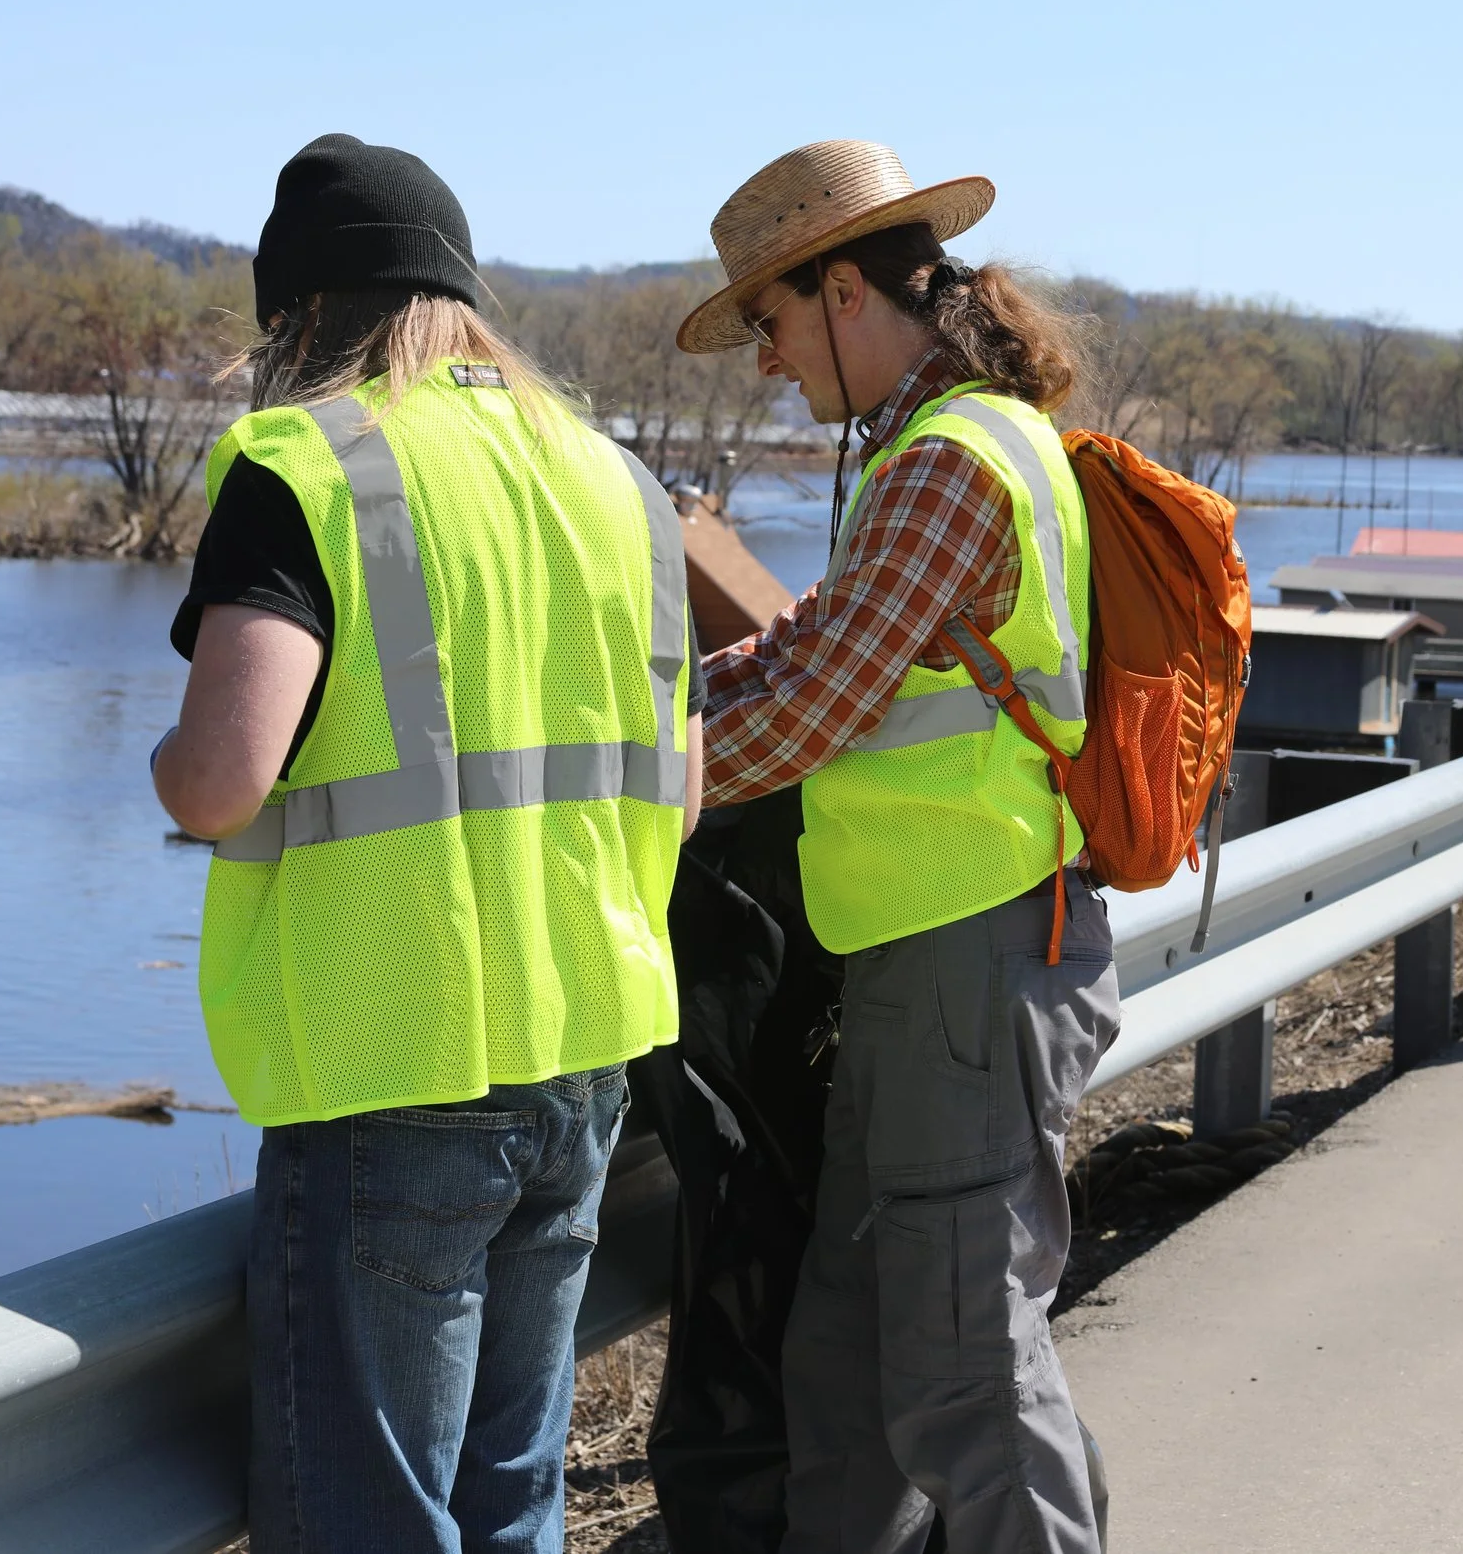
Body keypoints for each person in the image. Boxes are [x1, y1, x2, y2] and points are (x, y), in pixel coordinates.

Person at [149, 134, 698, 1554]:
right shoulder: (617, 485)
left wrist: (169, 759)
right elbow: (678, 790)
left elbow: (218, 778)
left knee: (370, 1521)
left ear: (302, 316)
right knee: (509, 1497)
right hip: (586, 1056)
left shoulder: (307, 462)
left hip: (393, 1062)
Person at [677, 140, 1118, 1554]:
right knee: (853, 1355)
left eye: (771, 321)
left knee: (961, 1376)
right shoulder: (939, 452)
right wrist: (666, 715)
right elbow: (804, 648)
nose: (765, 359)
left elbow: (811, 704)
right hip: (923, 967)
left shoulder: (949, 463)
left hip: (966, 968)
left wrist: (620, 792)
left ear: (848, 289)